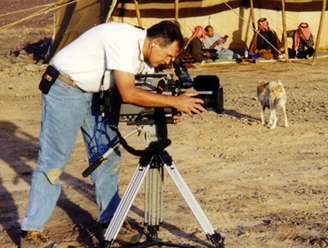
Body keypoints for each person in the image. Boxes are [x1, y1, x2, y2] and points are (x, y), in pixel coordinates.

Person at [20, 20, 206, 248]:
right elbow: (128, 93)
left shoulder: (147, 57)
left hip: (96, 93)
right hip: (65, 87)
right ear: (155, 43)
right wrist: (173, 101)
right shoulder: (124, 39)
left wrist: (168, 109)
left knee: (107, 158)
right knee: (54, 161)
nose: (167, 63)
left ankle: (113, 223)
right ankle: (31, 231)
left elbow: (146, 92)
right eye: (167, 56)